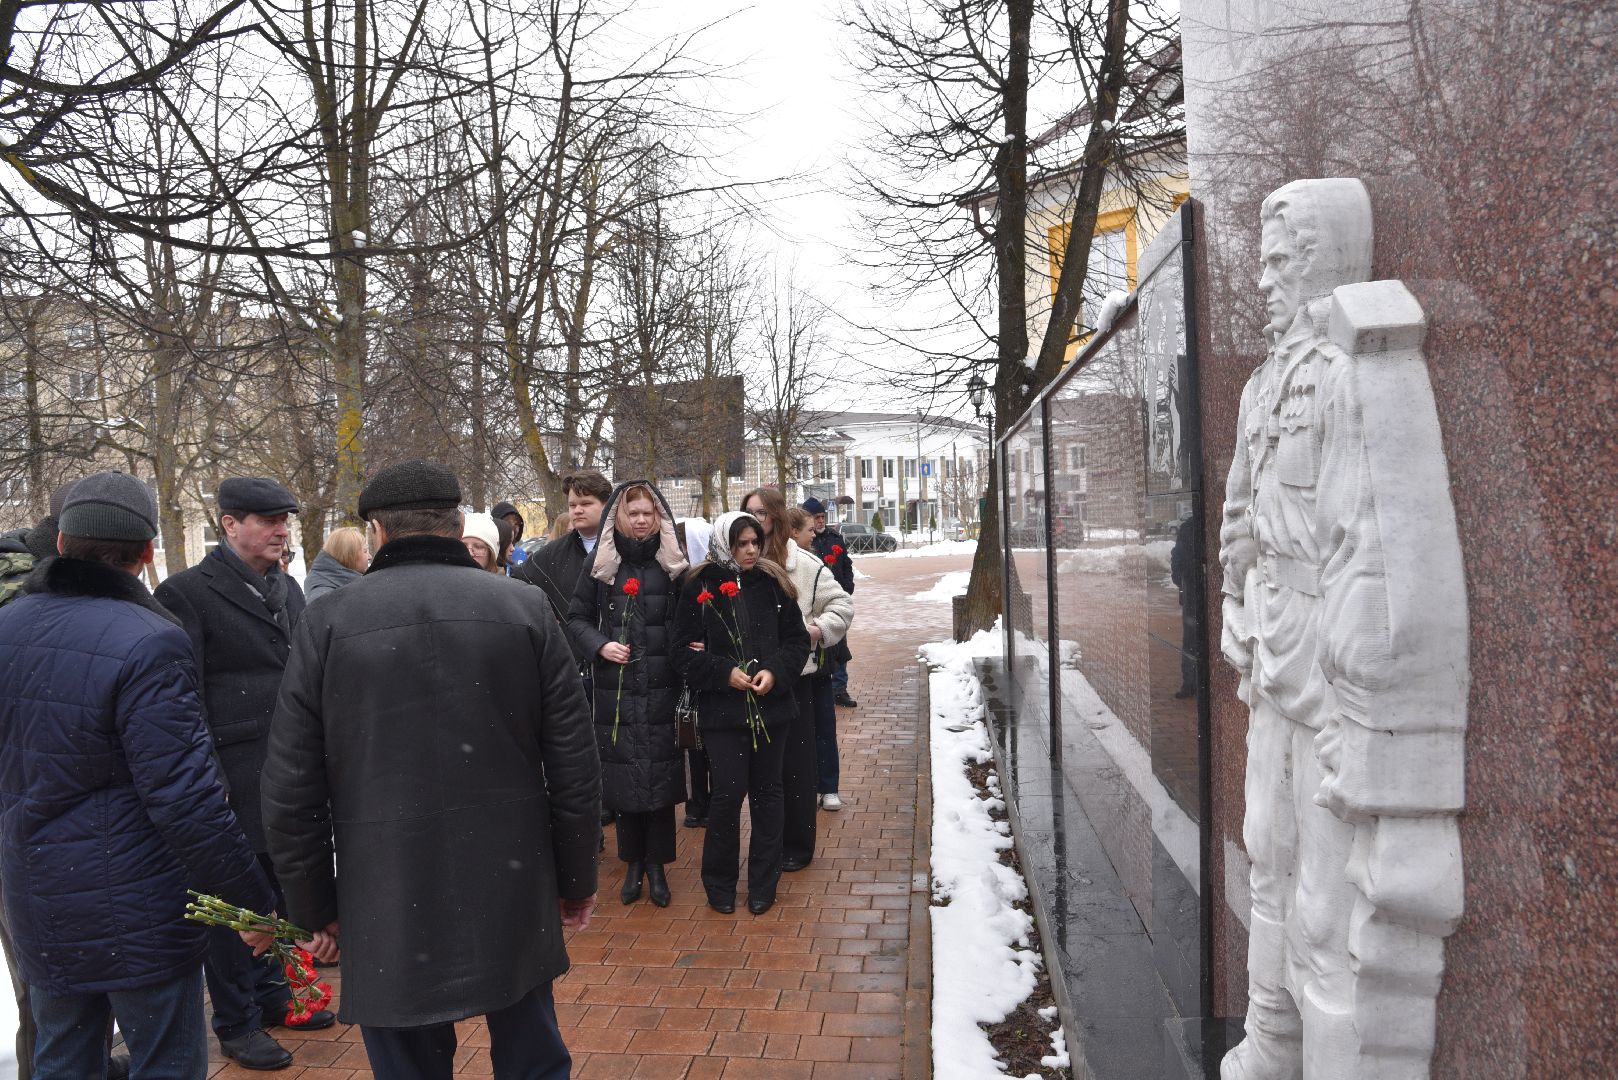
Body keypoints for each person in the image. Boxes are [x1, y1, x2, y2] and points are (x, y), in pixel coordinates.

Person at [261, 460, 601, 1080]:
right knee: (531, 1056)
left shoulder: (329, 620)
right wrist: (576, 876)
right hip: (509, 875)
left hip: (386, 881)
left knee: (410, 1066)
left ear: (378, 533)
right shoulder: (522, 606)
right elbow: (574, 761)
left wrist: (315, 903)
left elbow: (290, 783)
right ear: (453, 526)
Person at [0, 471, 277, 1080]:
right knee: (166, 1063)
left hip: (40, 897)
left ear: (62, 542)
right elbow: (187, 799)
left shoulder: (10, 625)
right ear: (149, 552)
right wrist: (251, 903)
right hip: (138, 907)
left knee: (64, 1059)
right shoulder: (151, 640)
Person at [154, 477, 329, 1071]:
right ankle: (236, 1022)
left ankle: (276, 995)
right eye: (267, 520)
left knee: (278, 892)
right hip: (231, 776)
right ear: (229, 525)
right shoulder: (186, 593)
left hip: (289, 772)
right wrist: (210, 780)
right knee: (230, 905)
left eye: (285, 519)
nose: (281, 530)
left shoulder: (290, 587)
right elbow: (186, 694)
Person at [670, 511, 809, 916]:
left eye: (754, 542)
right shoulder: (699, 585)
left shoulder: (773, 582)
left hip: (772, 710)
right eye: (740, 543)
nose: (750, 550)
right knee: (727, 796)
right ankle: (720, 882)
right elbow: (680, 652)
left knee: (769, 795)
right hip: (723, 714)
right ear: (723, 544)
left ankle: (764, 884)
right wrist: (722, 673)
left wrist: (775, 671)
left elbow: (797, 642)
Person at [566, 481, 689, 908]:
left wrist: (689, 643)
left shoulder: (672, 565)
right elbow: (576, 617)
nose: (640, 520)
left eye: (648, 514)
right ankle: (632, 863)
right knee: (623, 776)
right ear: (619, 515)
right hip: (615, 687)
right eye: (633, 513)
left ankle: (658, 866)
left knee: (658, 772)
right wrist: (600, 645)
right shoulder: (602, 565)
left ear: (659, 518)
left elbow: (689, 618)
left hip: (661, 683)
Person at [780, 507, 853, 868]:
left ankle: (827, 786)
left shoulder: (813, 559)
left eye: (764, 514)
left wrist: (817, 629)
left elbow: (843, 594)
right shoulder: (741, 562)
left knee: (819, 729)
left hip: (813, 666)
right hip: (764, 677)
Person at [514, 470, 610, 658]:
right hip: (570, 659)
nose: (577, 510)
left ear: (606, 505)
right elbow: (519, 583)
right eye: (572, 505)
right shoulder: (553, 552)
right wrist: (545, 619)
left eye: (586, 503)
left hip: (618, 656)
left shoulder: (624, 546)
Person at [802, 498, 858, 710]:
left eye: (822, 517)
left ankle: (839, 688)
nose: (820, 521)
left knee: (839, 644)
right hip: (815, 604)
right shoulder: (805, 539)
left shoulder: (834, 537)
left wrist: (847, 587)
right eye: (816, 517)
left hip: (835, 600)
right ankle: (821, 685)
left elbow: (846, 564)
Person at [303, 526, 369, 602]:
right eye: (365, 551)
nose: (369, 557)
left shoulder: (338, 587)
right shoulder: (324, 598)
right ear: (348, 555)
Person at [492, 501, 527, 566]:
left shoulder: (521, 554)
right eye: (507, 522)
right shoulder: (486, 554)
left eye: (517, 523)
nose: (513, 526)